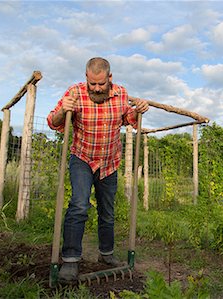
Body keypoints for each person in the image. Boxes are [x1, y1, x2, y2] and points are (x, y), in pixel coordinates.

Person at [47, 57, 149, 281]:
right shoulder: (74, 93)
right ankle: (71, 260)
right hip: (82, 157)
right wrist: (63, 111)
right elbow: (53, 122)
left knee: (107, 211)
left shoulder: (121, 93)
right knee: (79, 205)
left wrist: (139, 110)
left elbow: (128, 119)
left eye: (101, 84)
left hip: (109, 161)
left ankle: (106, 253)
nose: (96, 88)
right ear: (86, 78)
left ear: (109, 78)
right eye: (92, 83)